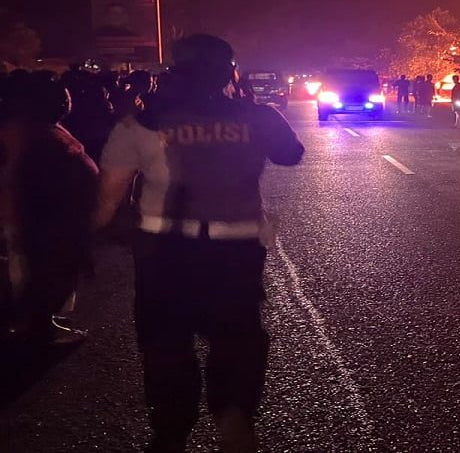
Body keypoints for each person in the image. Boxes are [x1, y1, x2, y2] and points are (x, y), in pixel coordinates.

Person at [93, 34, 304, 452]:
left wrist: (89, 237)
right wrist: (249, 108)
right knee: (236, 338)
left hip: (163, 250)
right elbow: (290, 154)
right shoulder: (257, 116)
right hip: (235, 249)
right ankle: (234, 417)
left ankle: (171, 432)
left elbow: (109, 196)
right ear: (229, 73)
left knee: (166, 344)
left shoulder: (141, 123)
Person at [1, 71, 97, 345]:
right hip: (42, 221)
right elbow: (23, 182)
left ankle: (40, 322)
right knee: (42, 273)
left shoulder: (43, 131)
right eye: (62, 97)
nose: (68, 100)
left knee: (44, 272)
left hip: (46, 220)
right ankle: (38, 329)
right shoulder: (32, 136)